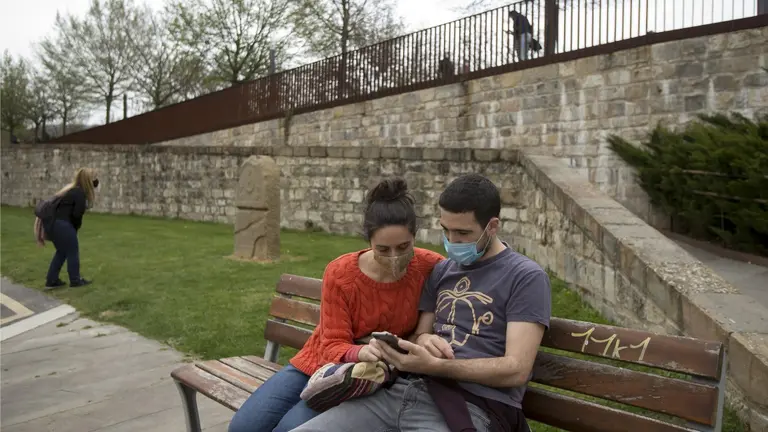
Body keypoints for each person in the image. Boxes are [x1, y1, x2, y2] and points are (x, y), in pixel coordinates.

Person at [291, 173, 552, 432]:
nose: (452, 241)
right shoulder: (443, 271)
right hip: (404, 390)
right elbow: (421, 334)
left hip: (475, 406)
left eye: (462, 232)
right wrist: (423, 341)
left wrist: (438, 366)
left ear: (492, 227)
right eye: (446, 230)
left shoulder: (526, 277)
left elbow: (515, 370)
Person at [227, 177, 445, 432]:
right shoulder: (341, 273)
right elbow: (331, 344)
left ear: (414, 237)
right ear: (369, 242)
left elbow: (469, 278)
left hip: (361, 379)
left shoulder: (430, 266)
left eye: (404, 247)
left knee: (287, 429)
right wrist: (360, 352)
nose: (395, 257)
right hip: (316, 363)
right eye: (383, 249)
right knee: (243, 428)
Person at [39, 167, 98, 289]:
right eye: (94, 178)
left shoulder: (71, 191)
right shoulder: (79, 194)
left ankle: (51, 280)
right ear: (88, 180)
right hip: (62, 225)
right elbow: (77, 215)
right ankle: (75, 280)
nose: (96, 181)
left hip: (52, 224)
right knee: (72, 251)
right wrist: (74, 230)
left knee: (62, 252)